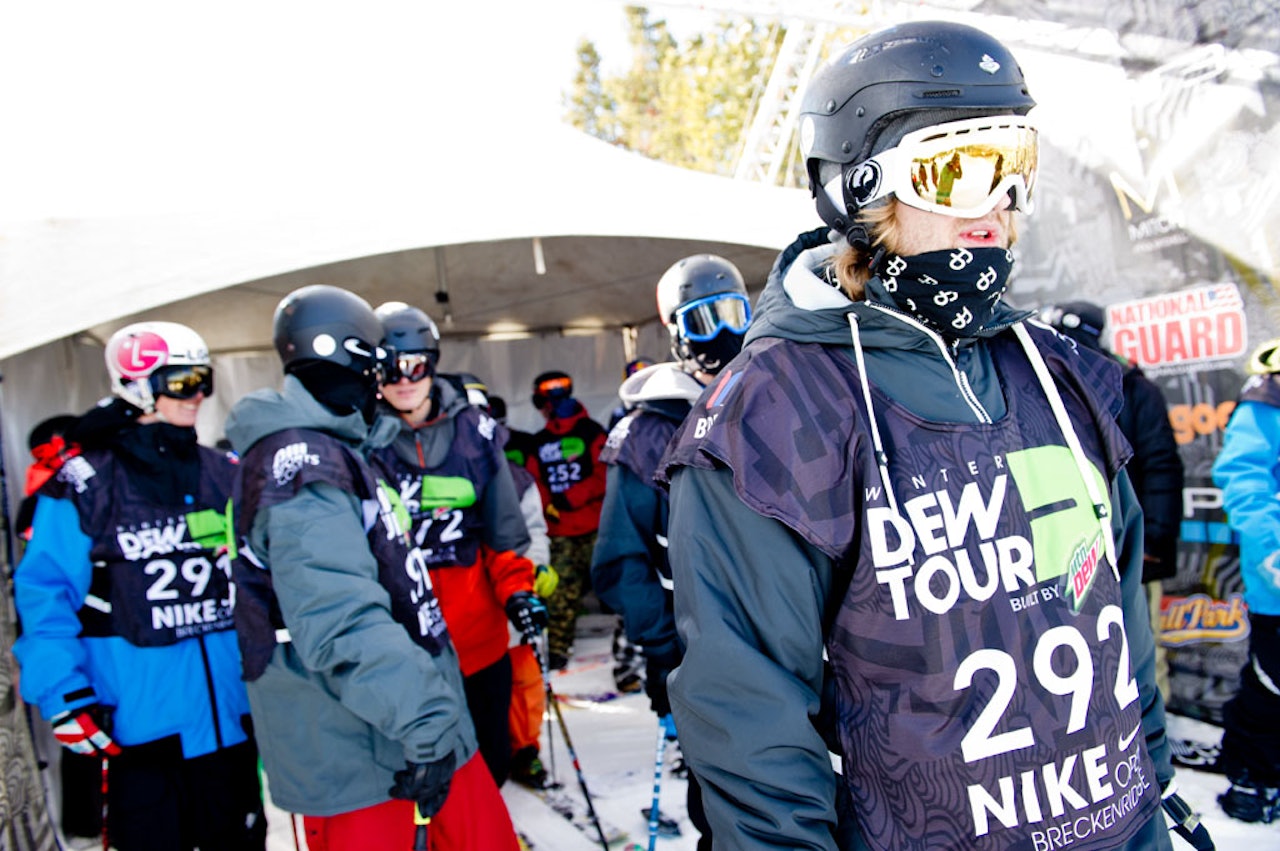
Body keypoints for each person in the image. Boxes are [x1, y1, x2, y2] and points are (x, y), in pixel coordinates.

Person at [656, 21, 1202, 851]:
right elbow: (749, 720)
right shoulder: (773, 415)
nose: (995, 208)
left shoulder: (1056, 377)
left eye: (1013, 167)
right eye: (957, 170)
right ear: (860, 190)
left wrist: (1154, 790)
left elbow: (1115, 617)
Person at [224, 285, 517, 850]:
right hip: (364, 756)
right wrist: (426, 721)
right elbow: (339, 619)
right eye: (380, 357)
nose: (390, 374)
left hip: (413, 722)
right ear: (355, 356)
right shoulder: (303, 471)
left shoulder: (341, 448)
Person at [14, 321, 266, 851]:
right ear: (137, 384)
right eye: (181, 381)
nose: (197, 394)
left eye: (205, 379)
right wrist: (62, 694)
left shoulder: (223, 472)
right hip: (140, 727)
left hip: (230, 719)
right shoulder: (85, 483)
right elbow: (44, 595)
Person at [592, 253, 752, 850]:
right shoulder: (647, 433)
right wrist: (667, 651)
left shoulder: (771, 402)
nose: (722, 334)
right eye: (702, 320)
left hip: (792, 652)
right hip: (703, 657)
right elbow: (618, 562)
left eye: (733, 312)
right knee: (730, 808)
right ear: (678, 332)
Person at [367, 302, 546, 787]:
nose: (405, 380)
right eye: (390, 369)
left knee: (489, 762)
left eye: (416, 366)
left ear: (433, 362)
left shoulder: (474, 431)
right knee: (427, 776)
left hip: (477, 640)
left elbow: (503, 533)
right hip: (404, 647)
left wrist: (519, 593)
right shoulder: (361, 440)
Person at [1042, 300, 1185, 697]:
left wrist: (1153, 540)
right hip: (1067, 545)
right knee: (1079, 643)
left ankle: (1155, 739)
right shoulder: (1042, 384)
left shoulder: (1134, 387)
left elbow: (1161, 467)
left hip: (1126, 540)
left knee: (1142, 644)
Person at [1208, 336, 1280, 824]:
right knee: (1272, 683)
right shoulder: (1271, 386)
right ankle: (1250, 776)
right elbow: (1243, 475)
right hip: (1278, 582)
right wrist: (1273, 548)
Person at [489, 392, 559, 789]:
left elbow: (534, 531)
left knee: (526, 681)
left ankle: (525, 750)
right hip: (465, 610)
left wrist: (536, 569)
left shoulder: (518, 479)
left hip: (514, 601)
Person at [524, 370, 608, 671]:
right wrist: (549, 504)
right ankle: (557, 651)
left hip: (597, 527)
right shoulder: (539, 441)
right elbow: (532, 482)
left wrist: (575, 496)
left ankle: (630, 652)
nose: (545, 407)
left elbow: (607, 472)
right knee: (559, 595)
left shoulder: (592, 432)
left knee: (616, 587)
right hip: (560, 531)